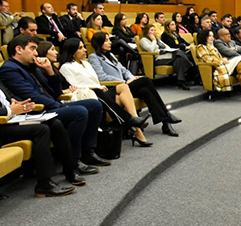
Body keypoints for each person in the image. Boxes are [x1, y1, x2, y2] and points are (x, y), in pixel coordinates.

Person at [0, 35, 108, 167]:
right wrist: (60, 106)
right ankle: (74, 159)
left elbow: (56, 92)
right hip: (36, 110)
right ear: (19, 49)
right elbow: (32, 96)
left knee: (94, 105)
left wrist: (50, 71)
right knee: (80, 112)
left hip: (51, 105)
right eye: (32, 49)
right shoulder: (9, 69)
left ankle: (89, 151)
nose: (36, 53)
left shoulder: (32, 66)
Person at [57, 39, 151, 147]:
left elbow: (95, 80)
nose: (84, 50)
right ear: (72, 51)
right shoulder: (66, 67)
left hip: (99, 91)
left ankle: (134, 122)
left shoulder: (86, 63)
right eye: (80, 48)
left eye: (84, 47)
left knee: (123, 87)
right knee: (112, 94)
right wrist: (96, 87)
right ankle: (133, 124)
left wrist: (101, 86)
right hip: (86, 95)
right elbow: (74, 87)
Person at [88, 32, 182, 137]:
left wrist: (131, 78)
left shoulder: (110, 55)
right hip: (115, 88)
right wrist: (123, 82)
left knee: (145, 91)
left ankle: (165, 124)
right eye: (106, 40)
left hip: (125, 85)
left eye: (109, 40)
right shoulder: (94, 57)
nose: (110, 42)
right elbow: (101, 76)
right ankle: (166, 114)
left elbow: (124, 70)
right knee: (145, 80)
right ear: (98, 43)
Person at [0, 83, 82, 195]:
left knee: (54, 123)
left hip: (12, 120)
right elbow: (6, 110)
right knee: (41, 130)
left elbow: (9, 100)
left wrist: (20, 105)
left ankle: (71, 170)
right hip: (3, 127)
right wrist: (9, 110)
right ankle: (44, 183)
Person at [196, 30, 241, 101]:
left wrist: (223, 59)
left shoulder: (213, 47)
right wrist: (221, 61)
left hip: (222, 66)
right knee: (239, 58)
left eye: (213, 36)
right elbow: (207, 60)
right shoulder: (201, 47)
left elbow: (219, 58)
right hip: (217, 68)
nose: (212, 38)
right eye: (209, 36)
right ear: (204, 37)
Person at [140, 25, 193, 90]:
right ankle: (190, 68)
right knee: (179, 53)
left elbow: (167, 47)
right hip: (157, 59)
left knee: (179, 59)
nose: (154, 32)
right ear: (146, 32)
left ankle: (181, 81)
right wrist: (153, 40)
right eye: (152, 30)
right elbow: (150, 49)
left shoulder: (157, 39)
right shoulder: (143, 40)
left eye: (154, 30)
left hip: (166, 55)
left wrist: (167, 49)